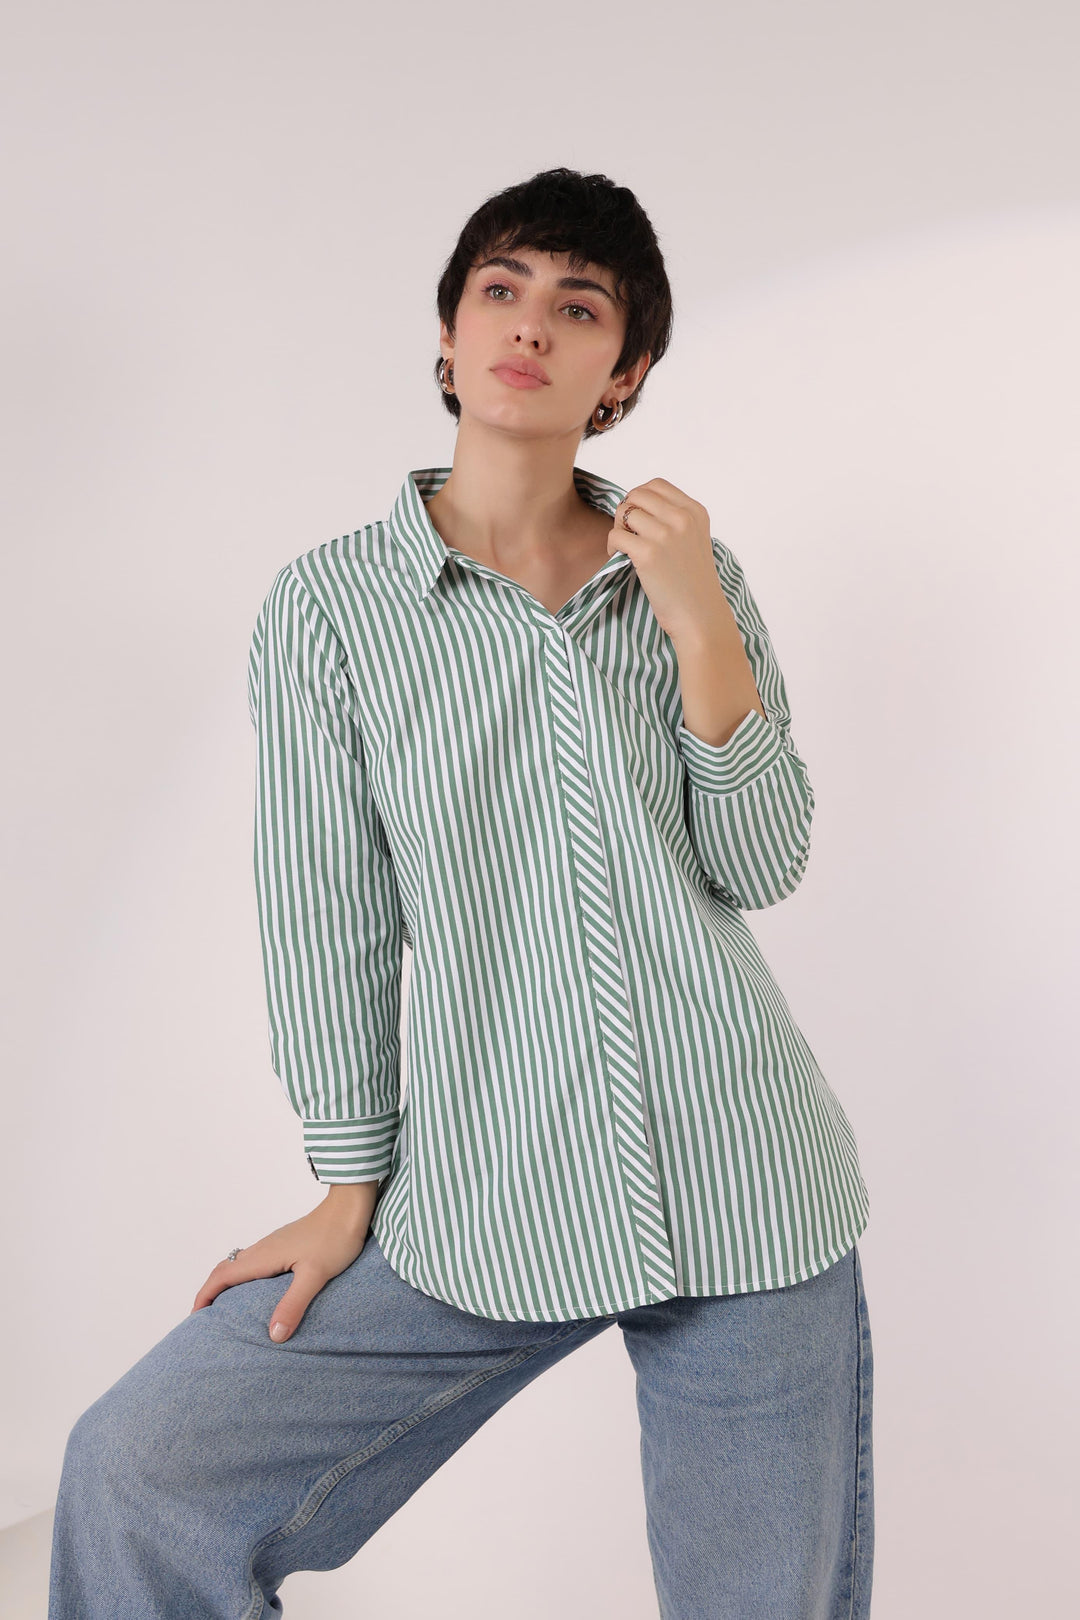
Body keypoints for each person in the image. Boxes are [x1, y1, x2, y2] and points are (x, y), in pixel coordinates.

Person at [49, 167, 875, 1619]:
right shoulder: (331, 610)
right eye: (502, 289)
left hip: (750, 1185)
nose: (531, 326)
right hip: (486, 1190)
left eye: (579, 307)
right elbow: (326, 915)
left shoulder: (692, 576)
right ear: (447, 337)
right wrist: (347, 1185)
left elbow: (761, 862)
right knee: (139, 1469)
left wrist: (700, 625)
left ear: (624, 374)